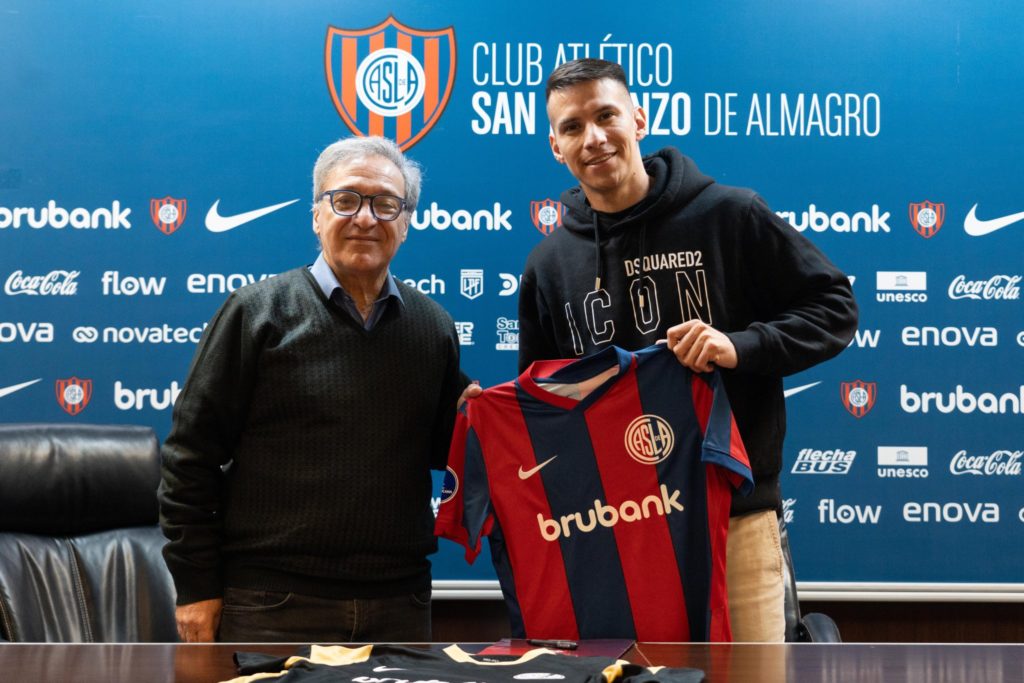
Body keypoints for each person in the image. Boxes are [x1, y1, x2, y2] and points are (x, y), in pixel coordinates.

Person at [518, 59, 858, 642]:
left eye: (606, 116)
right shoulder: (548, 265)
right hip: (618, 529)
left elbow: (835, 307)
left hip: (737, 516)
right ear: (556, 146)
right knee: (638, 679)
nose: (593, 138)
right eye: (572, 127)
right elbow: (541, 404)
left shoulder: (729, 214)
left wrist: (739, 345)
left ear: (638, 119)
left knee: (756, 676)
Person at [158, 136, 464, 643]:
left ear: (406, 223)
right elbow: (189, 458)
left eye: (386, 204)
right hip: (272, 604)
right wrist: (195, 586)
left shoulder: (434, 327)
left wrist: (483, 417)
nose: (365, 218)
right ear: (316, 216)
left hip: (400, 606)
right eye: (345, 200)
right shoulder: (256, 313)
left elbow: (443, 451)